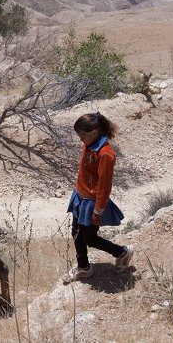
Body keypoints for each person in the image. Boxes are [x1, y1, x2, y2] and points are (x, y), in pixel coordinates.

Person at [63, 112, 134, 284]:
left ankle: (122, 252)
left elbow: (104, 185)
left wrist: (98, 210)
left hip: (92, 202)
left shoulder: (105, 154)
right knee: (76, 233)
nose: (81, 139)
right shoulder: (89, 145)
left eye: (83, 135)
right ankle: (84, 268)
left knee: (90, 238)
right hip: (80, 197)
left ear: (96, 132)